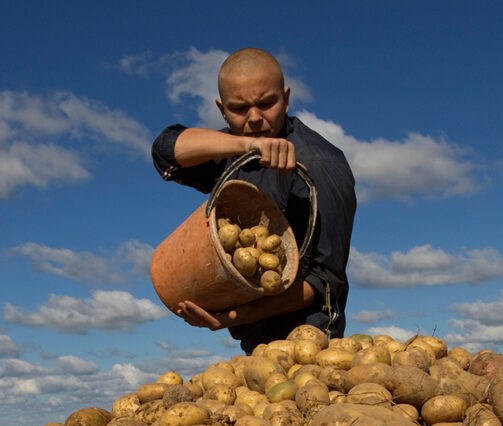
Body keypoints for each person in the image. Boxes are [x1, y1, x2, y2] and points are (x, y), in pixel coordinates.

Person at [151, 47, 356, 354]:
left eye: (267, 103)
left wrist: (235, 316)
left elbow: (325, 283)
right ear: (222, 110)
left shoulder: (321, 164)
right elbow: (164, 150)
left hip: (310, 344)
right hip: (255, 346)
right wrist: (248, 145)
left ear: (286, 98)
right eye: (239, 109)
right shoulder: (233, 150)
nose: (255, 118)